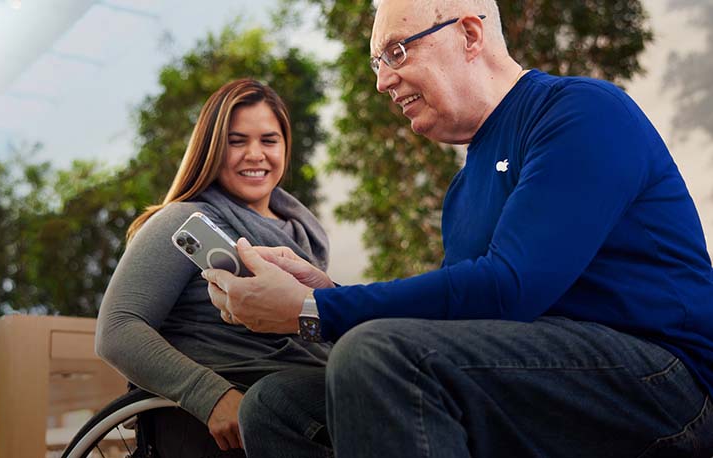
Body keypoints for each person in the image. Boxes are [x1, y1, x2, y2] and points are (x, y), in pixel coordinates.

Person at [203, 0, 713, 456]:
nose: (382, 81)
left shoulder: (580, 112)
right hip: (541, 380)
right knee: (276, 405)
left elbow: (510, 288)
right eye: (378, 64)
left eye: (397, 53)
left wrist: (312, 312)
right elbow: (455, 326)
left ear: (469, 34)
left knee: (375, 356)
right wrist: (324, 290)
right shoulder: (463, 189)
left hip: (665, 385)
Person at [95, 79, 331, 457]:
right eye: (237, 141)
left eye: (269, 141)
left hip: (313, 390)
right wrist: (211, 395)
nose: (255, 154)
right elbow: (117, 330)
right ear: (211, 149)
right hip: (240, 407)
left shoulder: (305, 236)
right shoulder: (182, 221)